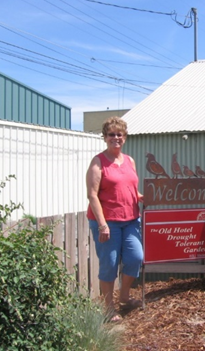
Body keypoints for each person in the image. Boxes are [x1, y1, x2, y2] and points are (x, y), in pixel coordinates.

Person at [86, 116, 144, 322]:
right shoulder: (98, 162)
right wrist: (102, 225)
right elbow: (92, 195)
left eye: (119, 134)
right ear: (105, 137)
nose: (116, 138)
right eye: (111, 134)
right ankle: (109, 308)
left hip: (131, 219)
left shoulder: (129, 161)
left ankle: (125, 296)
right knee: (109, 264)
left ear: (125, 137)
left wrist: (143, 196)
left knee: (135, 257)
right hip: (107, 222)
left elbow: (131, 188)